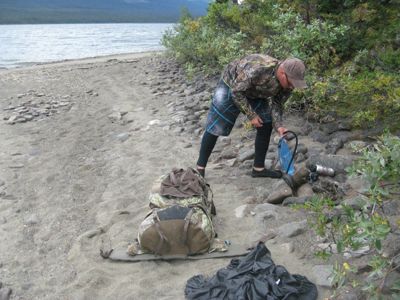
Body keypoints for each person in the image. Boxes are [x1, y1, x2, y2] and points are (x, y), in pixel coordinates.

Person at [196, 54, 307, 178]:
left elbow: (277, 104)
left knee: (266, 123)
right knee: (216, 126)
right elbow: (236, 92)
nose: (292, 87)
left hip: (255, 91)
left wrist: (279, 126)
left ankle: (258, 169)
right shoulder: (258, 69)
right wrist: (251, 115)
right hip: (231, 85)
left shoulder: (288, 85)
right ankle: (200, 168)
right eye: (291, 83)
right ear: (282, 73)